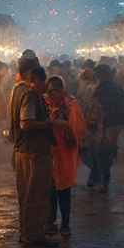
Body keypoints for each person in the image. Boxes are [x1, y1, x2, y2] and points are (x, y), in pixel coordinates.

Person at [10, 65, 65, 247]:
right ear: (37, 79)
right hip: (33, 153)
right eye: (44, 83)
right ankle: (33, 236)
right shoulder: (30, 95)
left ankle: (28, 233)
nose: (46, 88)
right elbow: (26, 123)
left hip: (23, 151)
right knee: (35, 196)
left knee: (26, 195)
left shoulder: (17, 90)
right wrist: (52, 123)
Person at [46, 76, 85, 235]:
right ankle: (52, 221)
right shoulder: (45, 103)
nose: (54, 90)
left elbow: (76, 128)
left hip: (64, 150)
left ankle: (64, 223)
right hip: (50, 149)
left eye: (57, 87)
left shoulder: (71, 104)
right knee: (51, 188)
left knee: (63, 187)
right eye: (51, 87)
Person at [88, 63, 124, 193]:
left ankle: (103, 181)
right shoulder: (117, 87)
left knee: (101, 152)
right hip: (116, 123)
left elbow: (96, 107)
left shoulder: (101, 88)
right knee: (102, 151)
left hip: (105, 123)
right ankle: (96, 177)